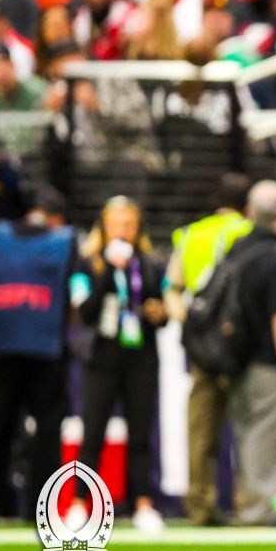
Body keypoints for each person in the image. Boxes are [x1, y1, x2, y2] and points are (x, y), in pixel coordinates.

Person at [66, 196, 168, 533]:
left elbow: (161, 309)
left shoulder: (150, 263)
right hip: (101, 355)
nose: (123, 230)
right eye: (116, 224)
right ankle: (81, 502)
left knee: (141, 430)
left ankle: (142, 503)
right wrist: (111, 270)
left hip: (140, 355)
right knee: (93, 430)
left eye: (129, 224)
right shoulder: (86, 264)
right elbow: (86, 312)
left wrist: (158, 311)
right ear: (104, 227)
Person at [164, 172, 253, 527]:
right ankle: (249, 503)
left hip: (203, 345)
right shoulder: (249, 232)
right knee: (249, 427)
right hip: (241, 343)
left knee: (201, 431)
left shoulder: (190, 234)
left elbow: (172, 287)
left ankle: (200, 505)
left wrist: (190, 325)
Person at [0, 188, 72, 520]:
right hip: (46, 350)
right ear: (57, 217)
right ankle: (41, 510)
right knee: (46, 432)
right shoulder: (64, 241)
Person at [227, 180, 276, 527]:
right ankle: (261, 507)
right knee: (267, 434)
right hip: (267, 361)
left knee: (247, 433)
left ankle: (249, 502)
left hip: (235, 356)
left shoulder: (237, 248)